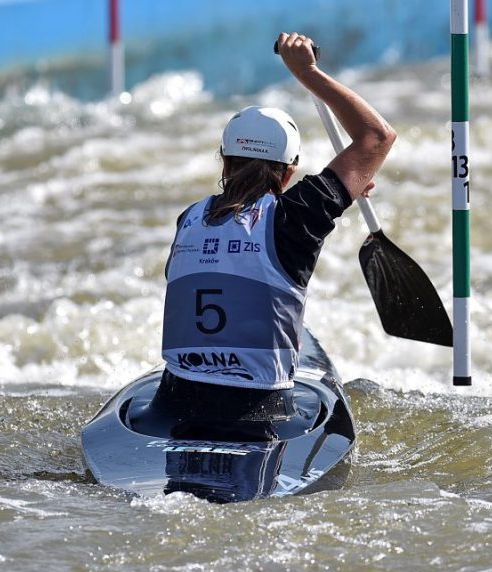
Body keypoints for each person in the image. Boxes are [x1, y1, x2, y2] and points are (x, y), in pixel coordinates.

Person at [137, 32, 396, 437]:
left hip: (171, 405)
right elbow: (377, 137)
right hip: (257, 413)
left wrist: (335, 194)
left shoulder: (188, 218)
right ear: (289, 171)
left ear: (224, 163)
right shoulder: (300, 215)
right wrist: (307, 73)